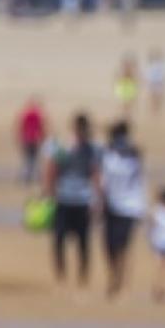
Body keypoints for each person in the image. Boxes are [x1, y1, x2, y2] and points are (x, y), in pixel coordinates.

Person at [45, 112, 102, 287]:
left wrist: (97, 199)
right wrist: (50, 193)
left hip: (82, 200)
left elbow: (95, 174)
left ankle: (82, 277)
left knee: (83, 242)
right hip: (64, 199)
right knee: (59, 240)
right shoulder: (64, 147)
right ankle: (61, 275)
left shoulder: (92, 149)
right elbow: (52, 169)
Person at [100, 120, 148, 300]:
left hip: (129, 207)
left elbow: (140, 182)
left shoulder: (133, 156)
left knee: (124, 247)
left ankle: (123, 285)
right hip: (110, 206)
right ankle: (113, 277)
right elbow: (102, 181)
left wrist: (142, 208)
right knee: (109, 247)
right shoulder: (107, 154)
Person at [15, 96, 48, 185]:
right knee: (35, 160)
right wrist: (43, 138)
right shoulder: (38, 114)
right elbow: (41, 127)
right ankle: (37, 179)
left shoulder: (25, 113)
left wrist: (19, 138)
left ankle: (27, 179)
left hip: (26, 139)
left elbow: (21, 126)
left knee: (28, 160)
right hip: (35, 139)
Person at [145, 49, 165, 116]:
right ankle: (154, 110)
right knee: (153, 97)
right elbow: (148, 74)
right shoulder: (151, 64)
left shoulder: (162, 65)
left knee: (159, 97)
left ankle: (158, 110)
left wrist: (163, 81)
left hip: (159, 82)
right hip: (154, 83)